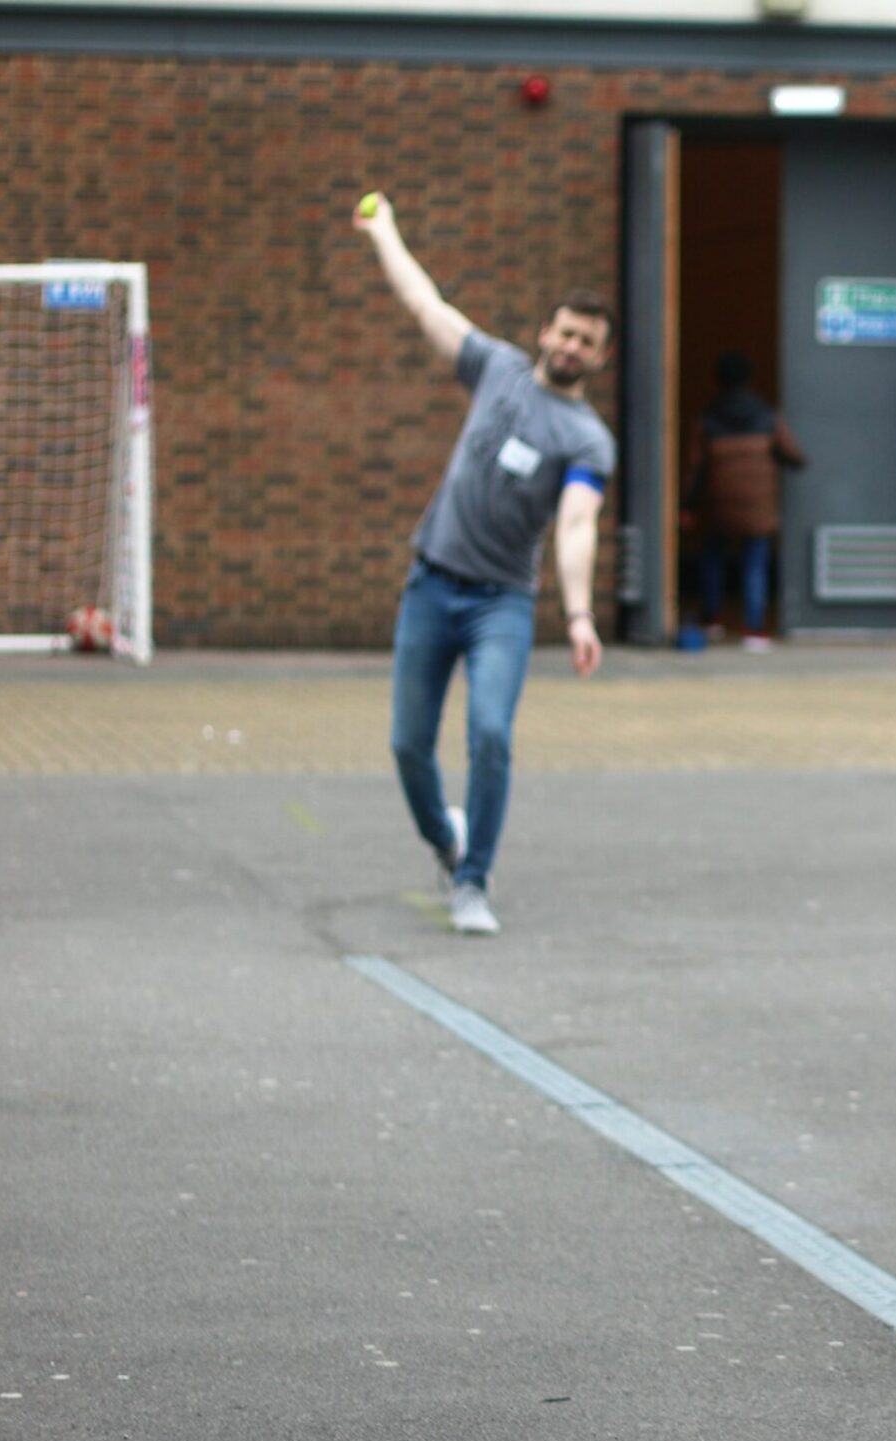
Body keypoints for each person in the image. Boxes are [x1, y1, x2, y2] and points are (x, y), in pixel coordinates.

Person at [353, 192, 616, 937]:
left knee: (491, 734)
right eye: (566, 333)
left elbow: (575, 525)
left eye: (587, 343)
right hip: (431, 584)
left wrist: (579, 613)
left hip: (500, 603)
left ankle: (474, 882)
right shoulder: (496, 368)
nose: (571, 348)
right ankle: (446, 840)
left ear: (599, 358)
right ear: (546, 332)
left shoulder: (588, 439)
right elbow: (423, 303)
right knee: (409, 744)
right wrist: (386, 232)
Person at [684, 352, 805, 651]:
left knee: (713, 560)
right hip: (757, 506)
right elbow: (792, 454)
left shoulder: (708, 417)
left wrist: (686, 504)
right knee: (755, 563)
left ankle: (711, 620)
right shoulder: (766, 415)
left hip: (719, 503)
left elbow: (693, 466)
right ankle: (753, 630)